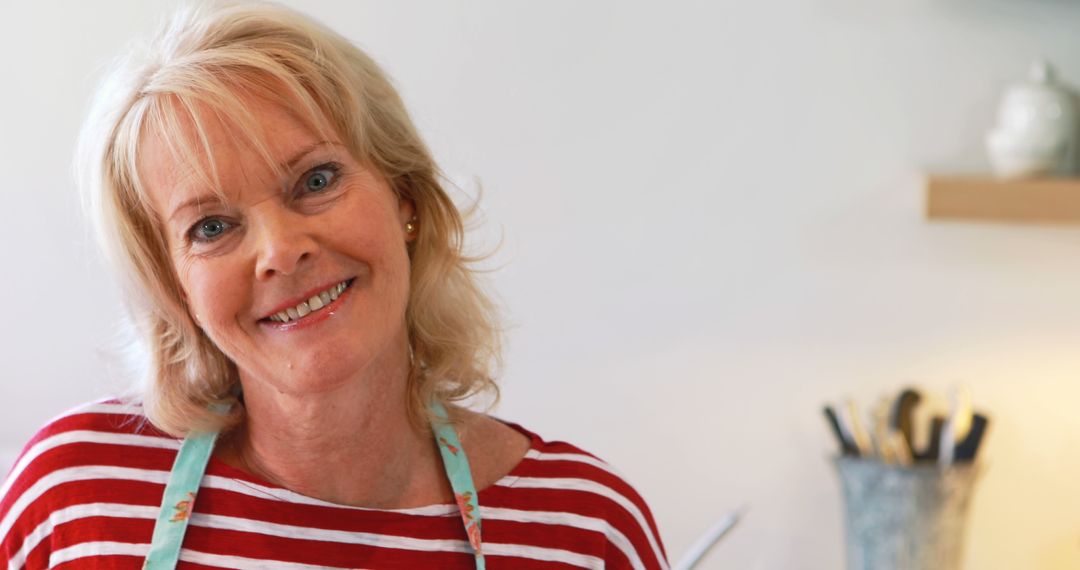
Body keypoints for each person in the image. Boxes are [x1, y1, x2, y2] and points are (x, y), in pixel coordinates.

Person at [0, 2, 668, 569]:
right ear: (174, 287)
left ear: (405, 195)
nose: (280, 252)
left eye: (315, 182)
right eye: (211, 228)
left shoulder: (585, 530)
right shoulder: (78, 496)